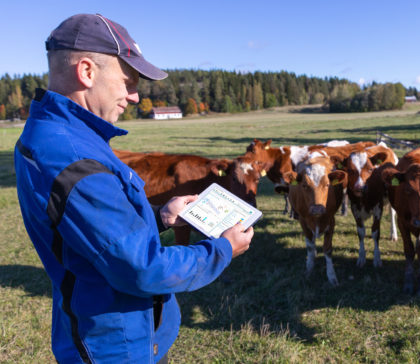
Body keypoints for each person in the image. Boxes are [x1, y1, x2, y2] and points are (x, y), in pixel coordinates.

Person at [14, 14, 253, 363]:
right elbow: (144, 269)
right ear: (87, 71)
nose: (135, 96)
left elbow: (91, 232)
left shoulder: (60, 137)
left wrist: (160, 217)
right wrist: (222, 249)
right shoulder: (75, 159)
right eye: (128, 81)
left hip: (115, 328)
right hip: (117, 345)